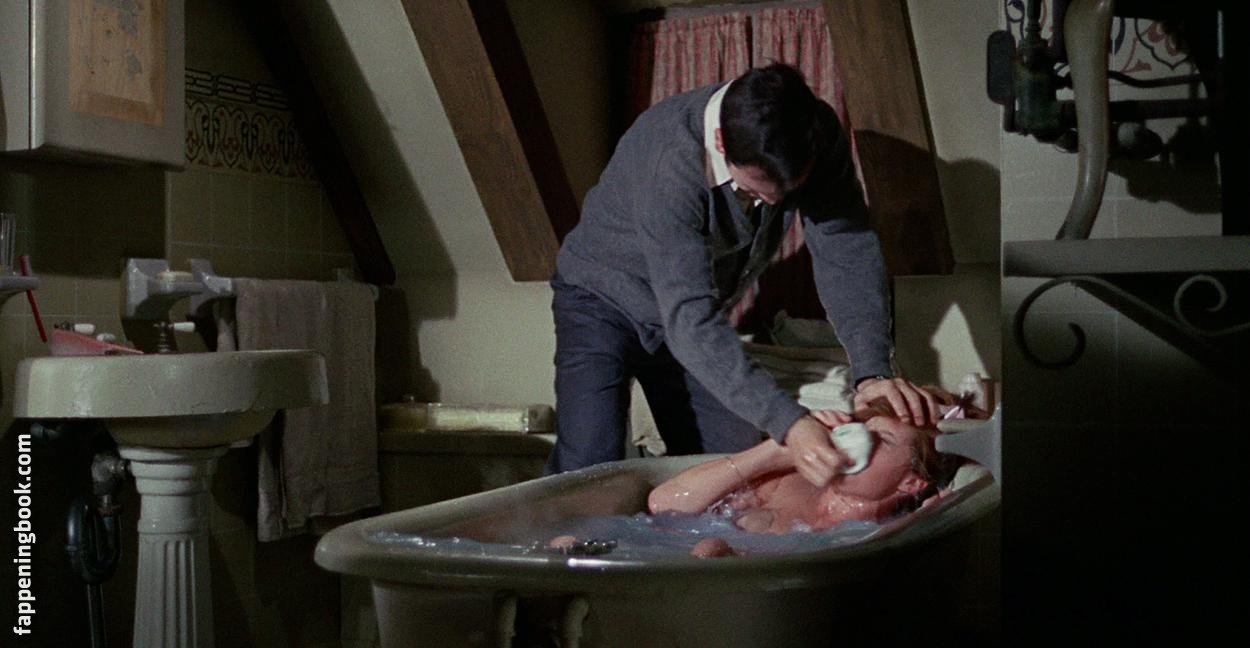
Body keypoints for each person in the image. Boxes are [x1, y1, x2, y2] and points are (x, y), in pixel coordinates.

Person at [548, 63, 938, 484]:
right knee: (589, 462)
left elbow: (845, 249)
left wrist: (872, 372)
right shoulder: (669, 161)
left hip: (688, 316)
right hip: (599, 299)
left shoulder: (814, 133)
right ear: (720, 141)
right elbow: (689, 318)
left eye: (785, 195)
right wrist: (791, 423)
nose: (771, 205)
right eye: (754, 191)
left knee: (736, 464)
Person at [647, 398, 970, 548]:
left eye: (883, 439)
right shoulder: (786, 480)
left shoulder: (901, 525)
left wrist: (921, 522)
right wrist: (775, 452)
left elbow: (869, 562)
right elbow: (665, 505)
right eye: (864, 428)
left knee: (711, 549)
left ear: (911, 482)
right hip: (691, 583)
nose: (863, 438)